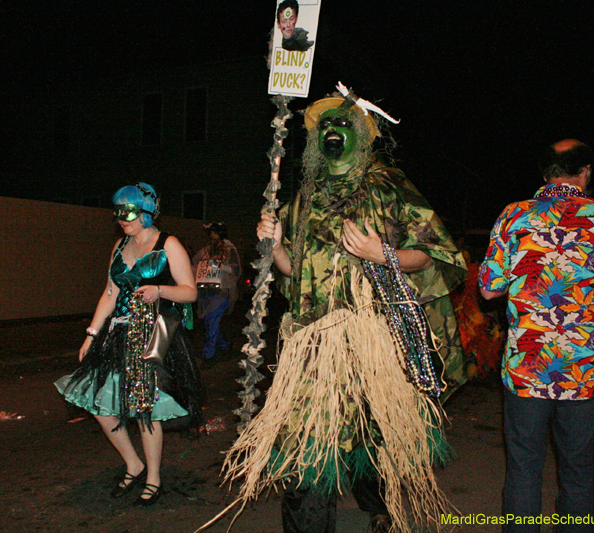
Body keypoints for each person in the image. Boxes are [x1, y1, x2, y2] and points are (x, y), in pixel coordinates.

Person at [222, 91, 468, 533]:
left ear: (362, 137)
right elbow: (291, 275)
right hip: (312, 348)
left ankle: (380, 508)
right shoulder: (303, 200)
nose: (333, 131)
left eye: (343, 124)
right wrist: (277, 243)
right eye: (325, 126)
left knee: (372, 438)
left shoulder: (387, 186)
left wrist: (382, 253)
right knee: (306, 451)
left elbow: (435, 255)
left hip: (372, 344)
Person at [479, 139, 594, 532]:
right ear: (586, 171)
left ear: (544, 173)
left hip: (527, 369)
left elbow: (489, 288)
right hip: (584, 372)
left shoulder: (514, 216)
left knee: (523, 468)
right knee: (578, 472)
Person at [55, 182, 201, 506]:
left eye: (128, 211)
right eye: (117, 211)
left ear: (146, 213)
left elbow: (190, 291)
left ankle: (153, 478)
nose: (121, 218)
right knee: (99, 404)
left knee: (144, 408)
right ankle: (133, 463)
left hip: (152, 335)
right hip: (118, 335)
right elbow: (111, 293)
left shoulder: (169, 244)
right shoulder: (120, 246)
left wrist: (159, 291)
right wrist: (91, 334)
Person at [191, 222, 241, 365]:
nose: (211, 235)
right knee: (209, 322)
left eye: (214, 232)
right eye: (210, 232)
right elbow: (195, 261)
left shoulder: (229, 248)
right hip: (207, 289)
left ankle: (209, 355)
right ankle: (224, 345)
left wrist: (217, 265)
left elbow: (235, 271)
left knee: (212, 321)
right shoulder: (208, 248)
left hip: (222, 290)